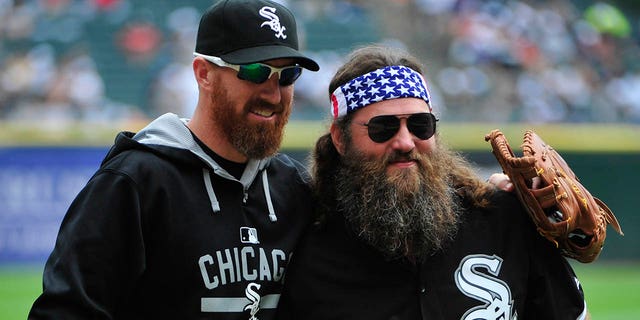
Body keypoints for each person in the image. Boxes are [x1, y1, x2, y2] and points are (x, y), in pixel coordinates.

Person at [29, 0, 319, 319]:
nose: (273, 94)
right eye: (255, 71)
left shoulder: (294, 189)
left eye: (287, 74)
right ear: (204, 73)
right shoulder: (135, 184)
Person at [276, 45, 588, 320]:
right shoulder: (306, 246)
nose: (405, 142)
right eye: (383, 128)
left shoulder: (506, 218)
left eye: (420, 125)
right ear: (340, 140)